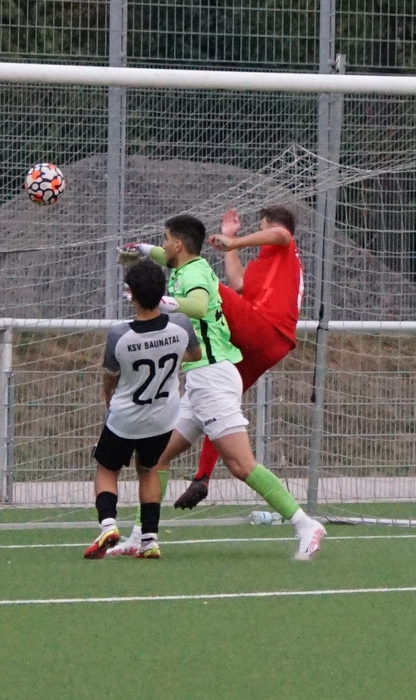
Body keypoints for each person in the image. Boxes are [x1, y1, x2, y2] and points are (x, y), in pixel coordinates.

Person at [111, 214, 326, 561]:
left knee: (241, 465)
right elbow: (166, 257)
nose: (163, 245)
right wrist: (142, 249)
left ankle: (305, 524)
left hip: (213, 377)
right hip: (200, 379)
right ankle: (141, 535)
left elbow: (197, 305)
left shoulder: (195, 273)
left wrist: (160, 302)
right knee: (154, 459)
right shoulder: (183, 266)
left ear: (178, 244)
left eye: (165, 239)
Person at [172, 205, 303, 509]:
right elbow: (239, 284)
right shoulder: (266, 264)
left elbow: (281, 234)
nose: (259, 233)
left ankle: (172, 329)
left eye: (261, 227)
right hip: (272, 345)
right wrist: (230, 240)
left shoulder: (284, 246)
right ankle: (202, 477)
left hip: (264, 328)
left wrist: (235, 242)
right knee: (221, 405)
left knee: (205, 281)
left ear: (268, 226)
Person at [83, 258, 202, 560]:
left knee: (107, 469)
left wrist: (109, 401)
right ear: (162, 293)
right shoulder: (181, 324)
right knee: (148, 470)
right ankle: (149, 540)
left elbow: (110, 378)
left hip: (126, 416)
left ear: (131, 294)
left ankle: (108, 525)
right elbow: (194, 354)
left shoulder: (119, 335)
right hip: (163, 416)